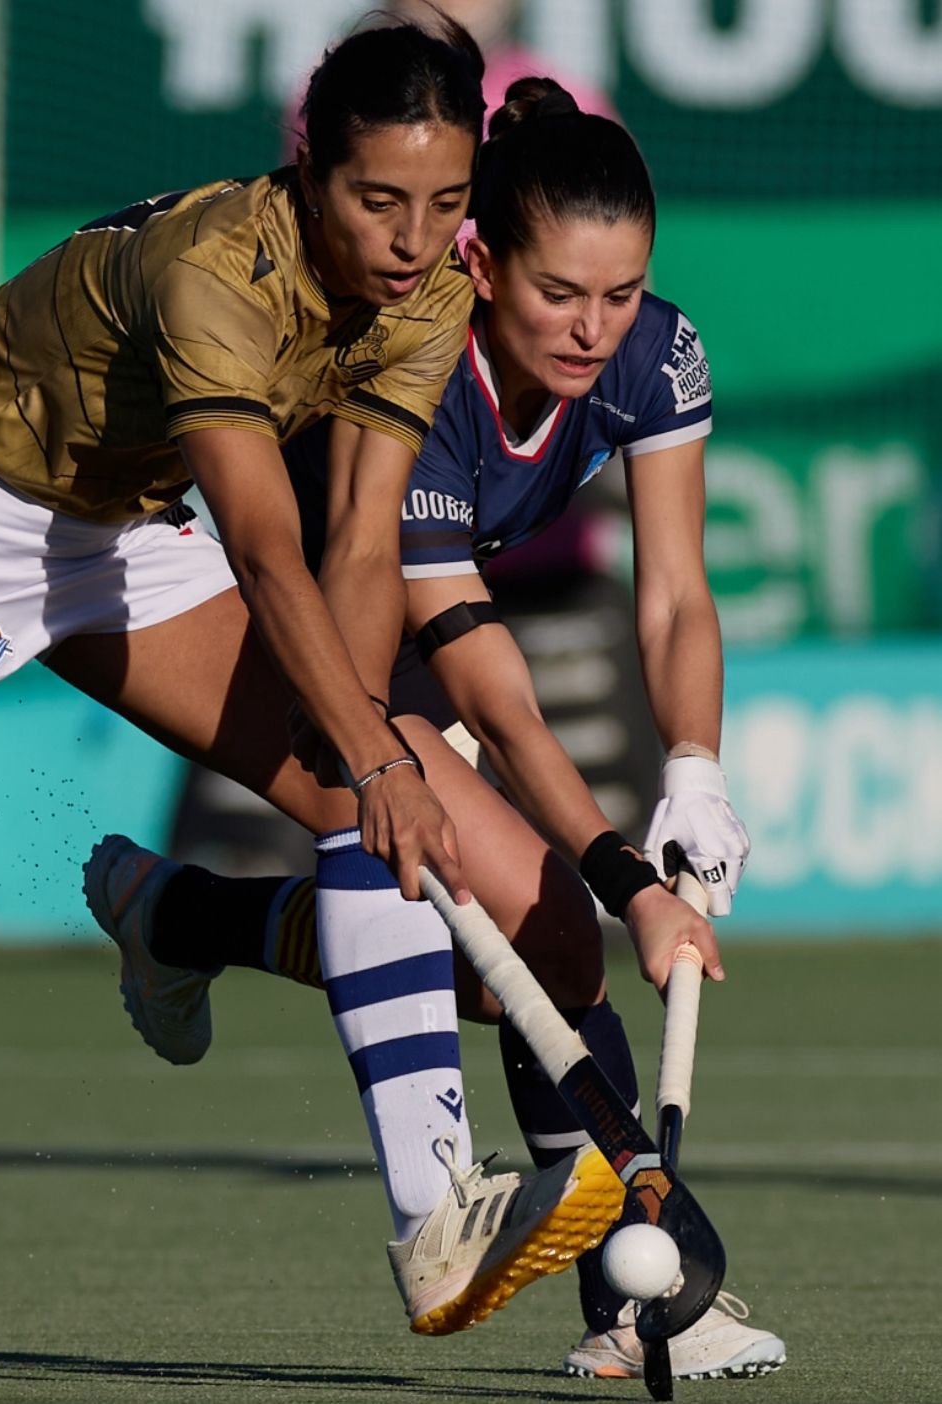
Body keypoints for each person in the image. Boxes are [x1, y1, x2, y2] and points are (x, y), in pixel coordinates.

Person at [0, 12, 632, 1344]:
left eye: (443, 205)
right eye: (377, 201)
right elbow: (267, 545)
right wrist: (384, 753)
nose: (410, 239)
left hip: (124, 533)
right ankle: (186, 927)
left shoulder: (430, 289)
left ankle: (433, 1221)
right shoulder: (215, 270)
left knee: (436, 859)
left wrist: (365, 749)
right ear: (308, 169)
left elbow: (356, 534)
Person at [85, 79, 785, 1381]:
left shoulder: (652, 352)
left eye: (620, 294)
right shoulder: (425, 373)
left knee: (537, 943)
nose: (592, 331)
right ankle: (636, 1286)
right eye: (557, 295)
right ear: (485, 261)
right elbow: (485, 685)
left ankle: (180, 921)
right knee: (537, 914)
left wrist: (692, 768)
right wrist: (625, 874)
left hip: (364, 614)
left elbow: (678, 592)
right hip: (227, 585)